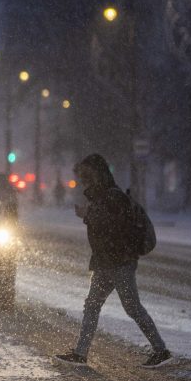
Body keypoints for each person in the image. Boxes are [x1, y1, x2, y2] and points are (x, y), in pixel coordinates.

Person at [55, 153, 172, 368]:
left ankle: (161, 350)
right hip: (105, 263)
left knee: (132, 308)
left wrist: (87, 215)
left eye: (87, 175)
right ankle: (81, 353)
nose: (84, 180)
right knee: (92, 305)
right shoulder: (102, 197)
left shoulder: (113, 197)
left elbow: (113, 227)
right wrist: (89, 214)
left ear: (97, 174)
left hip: (119, 263)